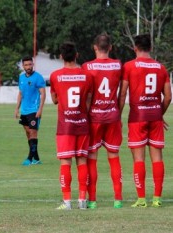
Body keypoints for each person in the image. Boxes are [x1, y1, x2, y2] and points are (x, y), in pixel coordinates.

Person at [119, 34, 172, 208]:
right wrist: (159, 113)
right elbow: (168, 97)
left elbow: (123, 93)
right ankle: (157, 198)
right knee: (157, 158)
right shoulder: (161, 68)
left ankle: (141, 199)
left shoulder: (129, 66)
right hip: (155, 117)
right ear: (150, 48)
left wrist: (117, 116)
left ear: (135, 48)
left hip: (137, 118)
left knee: (139, 159)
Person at [82, 33, 123, 209]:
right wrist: (117, 112)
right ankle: (118, 199)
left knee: (92, 157)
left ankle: (92, 200)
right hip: (113, 116)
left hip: (94, 117)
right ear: (111, 47)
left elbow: (87, 95)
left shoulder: (86, 66)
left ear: (94, 47)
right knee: (113, 156)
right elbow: (122, 93)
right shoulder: (118, 65)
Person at [50, 42, 93, 210]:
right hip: (82, 124)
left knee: (65, 162)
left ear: (61, 57)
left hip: (65, 126)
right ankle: (82, 200)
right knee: (82, 161)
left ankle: (67, 201)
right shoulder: (87, 76)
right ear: (77, 55)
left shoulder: (55, 76)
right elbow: (88, 102)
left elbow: (54, 100)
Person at [14, 56, 46, 166]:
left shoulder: (38, 77)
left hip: (34, 110)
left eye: (30, 64)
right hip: (24, 110)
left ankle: (29, 158)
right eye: (26, 65)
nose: (28, 67)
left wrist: (40, 110)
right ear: (23, 66)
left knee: (33, 133)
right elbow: (20, 94)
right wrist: (17, 109)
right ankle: (36, 158)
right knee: (28, 134)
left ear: (33, 65)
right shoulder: (21, 78)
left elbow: (43, 94)